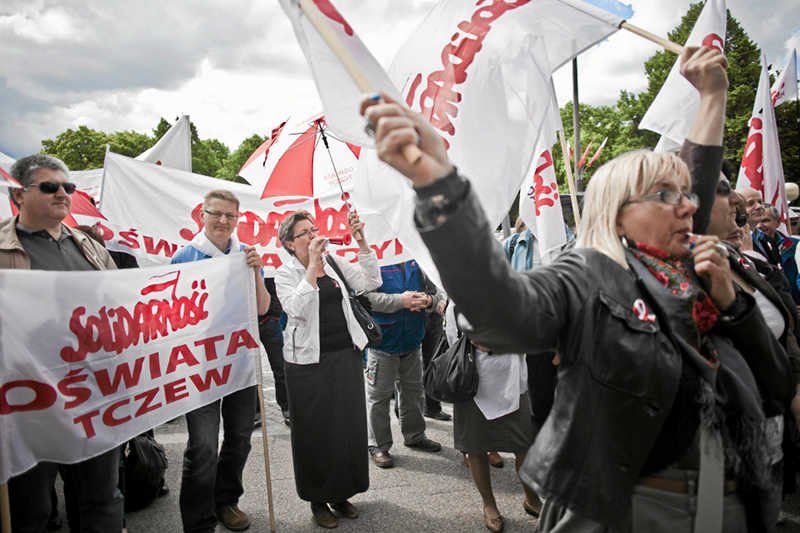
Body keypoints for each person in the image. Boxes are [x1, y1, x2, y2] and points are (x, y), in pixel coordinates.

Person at [364, 45, 794, 531]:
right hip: (626, 509)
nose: (687, 207)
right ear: (616, 214)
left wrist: (713, 96)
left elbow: (776, 381)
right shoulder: (589, 273)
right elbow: (503, 312)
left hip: (732, 497)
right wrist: (440, 187)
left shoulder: (701, 267)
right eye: (664, 196)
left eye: (686, 197)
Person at [0, 154, 123, 532]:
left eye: (67, 187)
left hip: (92, 393)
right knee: (32, 506)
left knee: (101, 497)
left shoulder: (89, 246)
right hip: (30, 400)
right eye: (50, 187)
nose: (62, 194)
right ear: (18, 196)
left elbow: (120, 304)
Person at [275, 209, 381, 529]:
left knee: (346, 429)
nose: (313, 235)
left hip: (344, 357)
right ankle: (317, 499)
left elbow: (370, 281)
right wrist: (311, 268)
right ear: (291, 244)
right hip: (307, 365)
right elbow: (296, 309)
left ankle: (342, 493)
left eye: (314, 229)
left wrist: (361, 241)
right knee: (315, 433)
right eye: (304, 232)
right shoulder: (286, 273)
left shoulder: (333, 263)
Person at [171, 189, 269, 533]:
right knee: (202, 444)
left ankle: (226, 500)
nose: (224, 221)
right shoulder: (184, 256)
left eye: (231, 216)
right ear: (202, 214)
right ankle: (198, 521)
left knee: (240, 436)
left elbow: (262, 308)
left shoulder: (245, 254)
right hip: (199, 367)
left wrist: (257, 272)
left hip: (240, 361)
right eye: (217, 214)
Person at [707, 178, 800, 526]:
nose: (742, 220)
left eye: (739, 214)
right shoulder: (684, 273)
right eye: (732, 211)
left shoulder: (744, 261)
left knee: (766, 500)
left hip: (770, 418)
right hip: (728, 428)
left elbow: (783, 329)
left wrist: (793, 387)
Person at [451, 323, 543, 532]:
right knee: (476, 445)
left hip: (513, 378)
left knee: (524, 445)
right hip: (474, 377)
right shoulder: (465, 293)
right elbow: (474, 335)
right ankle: (489, 504)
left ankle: (531, 498)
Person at [365, 259, 445, 469]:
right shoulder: (375, 258)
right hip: (383, 342)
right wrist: (401, 301)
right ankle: (378, 446)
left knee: (413, 391)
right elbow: (366, 299)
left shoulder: (416, 259)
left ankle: (415, 435)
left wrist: (428, 300)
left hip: (412, 339)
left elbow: (438, 293)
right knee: (379, 397)